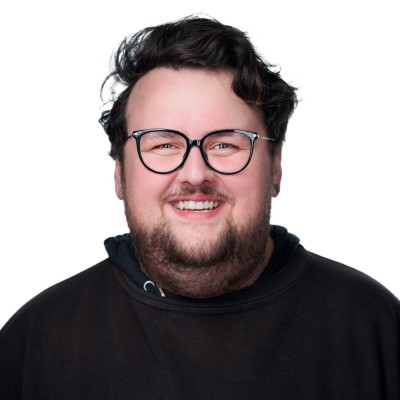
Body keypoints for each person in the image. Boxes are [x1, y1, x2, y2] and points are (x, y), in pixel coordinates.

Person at [1, 16, 399, 399]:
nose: (195, 174)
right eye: (163, 144)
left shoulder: (376, 327)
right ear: (120, 172)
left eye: (225, 144)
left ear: (275, 166)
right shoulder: (33, 342)